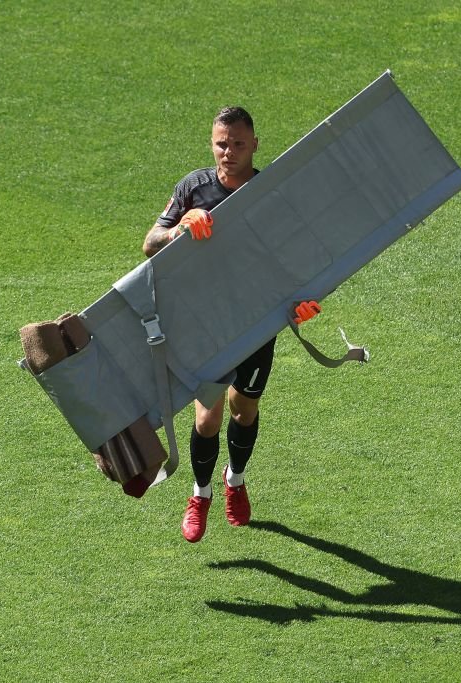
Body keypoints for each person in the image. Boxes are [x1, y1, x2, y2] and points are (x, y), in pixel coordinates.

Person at [142, 106, 320, 543]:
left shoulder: (271, 192)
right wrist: (179, 229)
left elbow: (299, 256)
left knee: (246, 409)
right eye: (222, 143)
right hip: (205, 321)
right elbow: (149, 245)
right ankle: (199, 495)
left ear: (255, 145)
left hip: (258, 321)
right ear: (212, 143)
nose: (229, 152)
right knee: (208, 418)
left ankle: (234, 479)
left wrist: (305, 302)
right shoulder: (193, 188)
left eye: (239, 144)